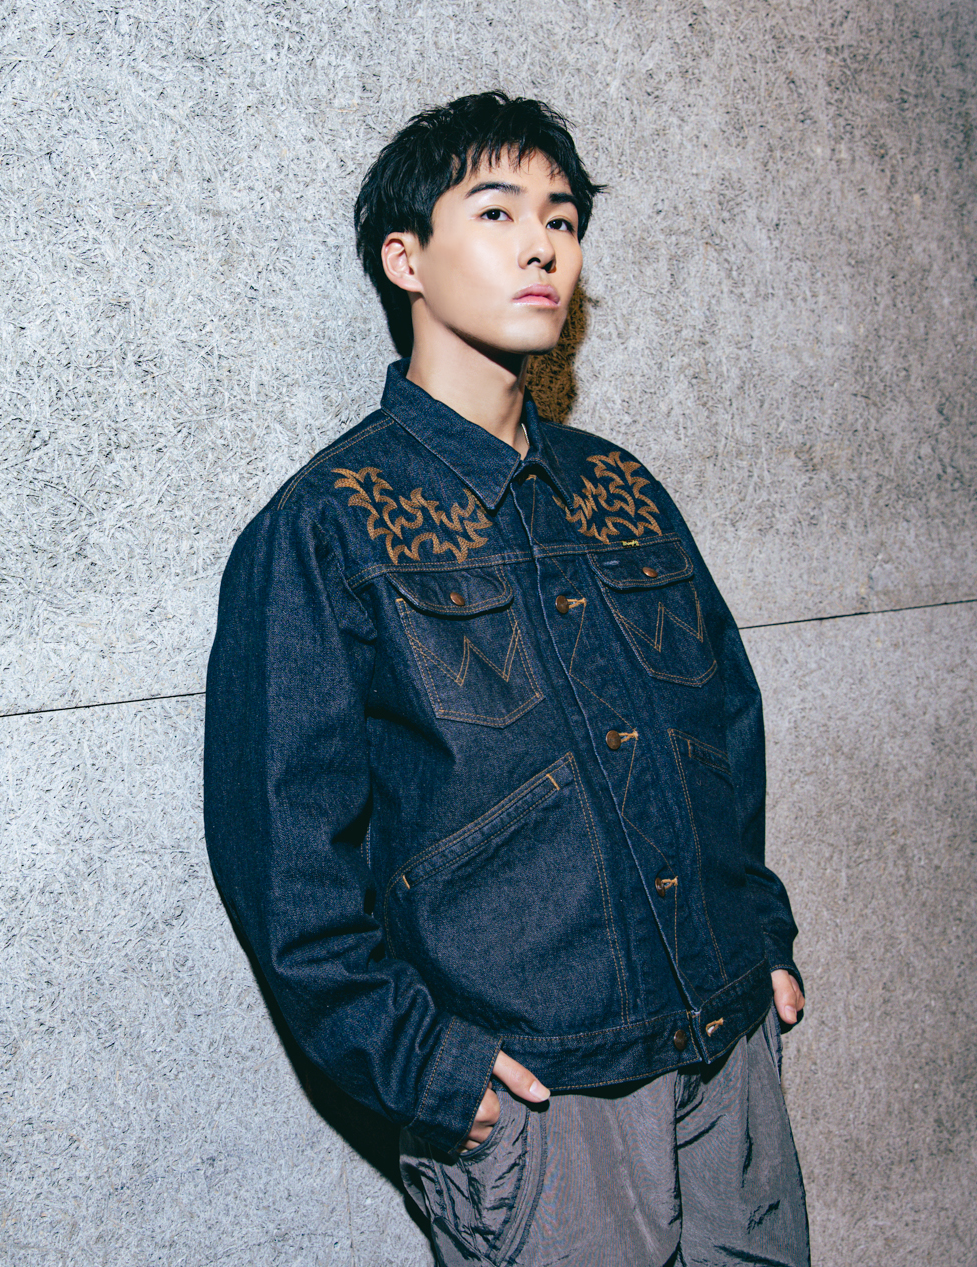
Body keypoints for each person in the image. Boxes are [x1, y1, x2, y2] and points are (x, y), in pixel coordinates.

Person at [203, 92, 810, 1265]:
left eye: (562, 219)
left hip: (726, 1040)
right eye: (496, 212)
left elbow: (722, 731)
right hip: (546, 1094)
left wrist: (760, 931)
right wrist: (425, 1066)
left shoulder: (620, 487)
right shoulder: (325, 525)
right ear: (406, 259)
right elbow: (281, 855)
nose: (542, 246)